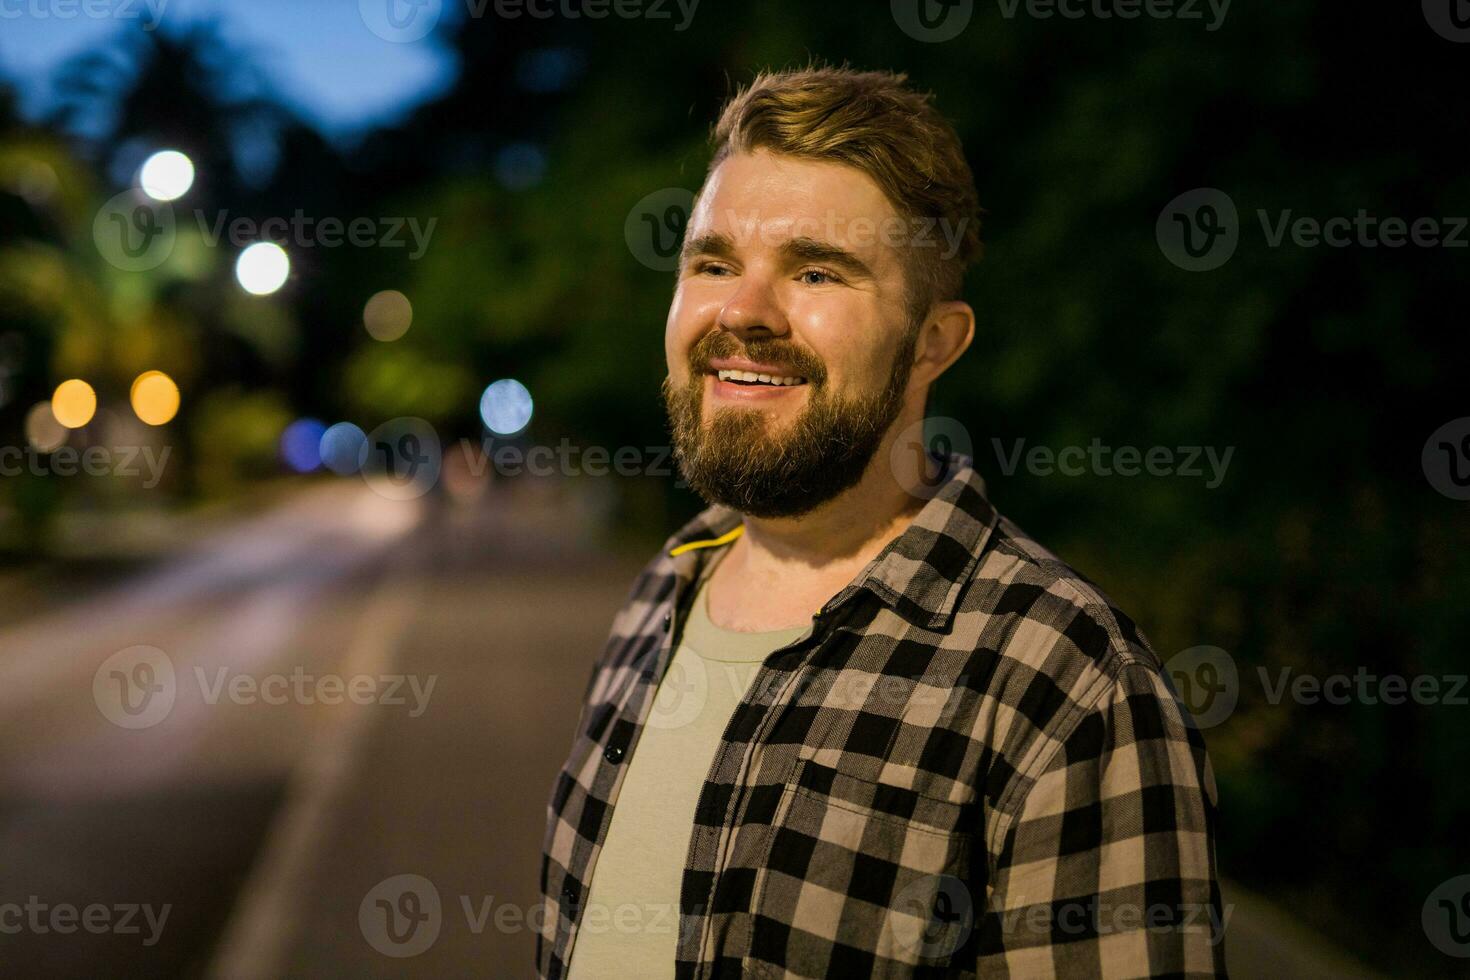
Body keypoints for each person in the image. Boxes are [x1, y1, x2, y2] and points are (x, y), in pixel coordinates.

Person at [539, 64, 1225, 979]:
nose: (742, 312)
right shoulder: (664, 589)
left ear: (934, 343)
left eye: (817, 270)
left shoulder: (1068, 690)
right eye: (713, 263)